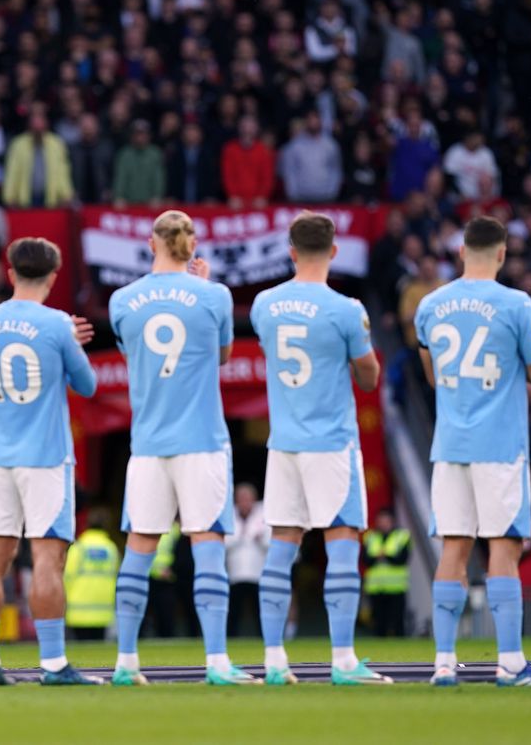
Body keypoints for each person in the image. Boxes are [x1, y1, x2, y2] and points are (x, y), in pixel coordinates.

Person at [107, 210, 258, 686]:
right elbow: (223, 356)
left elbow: (135, 355)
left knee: (139, 547)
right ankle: (216, 662)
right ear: (192, 246)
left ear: (152, 243)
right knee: (208, 546)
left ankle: (126, 663)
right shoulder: (213, 295)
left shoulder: (122, 300)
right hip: (201, 441)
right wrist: (206, 287)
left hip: (149, 442)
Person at [415, 216, 531, 687]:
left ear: (461, 251)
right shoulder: (516, 303)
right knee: (503, 547)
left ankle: (443, 662)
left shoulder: (431, 305)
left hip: (451, 443)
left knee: (454, 547)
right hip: (499, 444)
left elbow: (433, 374)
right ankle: (511, 663)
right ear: (501, 254)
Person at [251, 211, 389, 686]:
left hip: (284, 442)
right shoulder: (347, 310)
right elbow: (369, 375)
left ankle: (272, 659)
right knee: (343, 542)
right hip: (331, 443)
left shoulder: (264, 304)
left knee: (281, 549)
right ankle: (345, 660)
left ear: (290, 251)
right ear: (334, 251)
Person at [0, 236, 100, 686]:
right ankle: (55, 664)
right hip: (46, 458)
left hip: (2, 459)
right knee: (47, 559)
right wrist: (69, 346)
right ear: (53, 276)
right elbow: (86, 384)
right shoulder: (58, 324)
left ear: (10, 274)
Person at [64, 512, 120, 641]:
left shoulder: (78, 547)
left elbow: (67, 577)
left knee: (81, 651)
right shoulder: (111, 548)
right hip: (103, 611)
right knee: (99, 651)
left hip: (78, 612)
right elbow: (117, 576)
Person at [225, 483, 269, 637]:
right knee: (233, 612)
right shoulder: (229, 515)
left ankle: (265, 641)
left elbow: (271, 544)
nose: (244, 502)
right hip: (235, 574)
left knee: (260, 612)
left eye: (247, 498)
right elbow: (224, 543)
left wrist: (260, 539)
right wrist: (241, 535)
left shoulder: (264, 514)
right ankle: (230, 640)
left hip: (258, 574)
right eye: (241, 499)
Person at [362, 508, 410, 638]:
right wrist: (382, 556)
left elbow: (402, 559)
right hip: (376, 587)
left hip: (396, 587)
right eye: (381, 521)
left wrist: (384, 556)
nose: (383, 524)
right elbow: (365, 560)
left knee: (397, 620)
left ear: (392, 521)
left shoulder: (402, 536)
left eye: (386, 521)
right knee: (378, 621)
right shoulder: (370, 537)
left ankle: (400, 648)